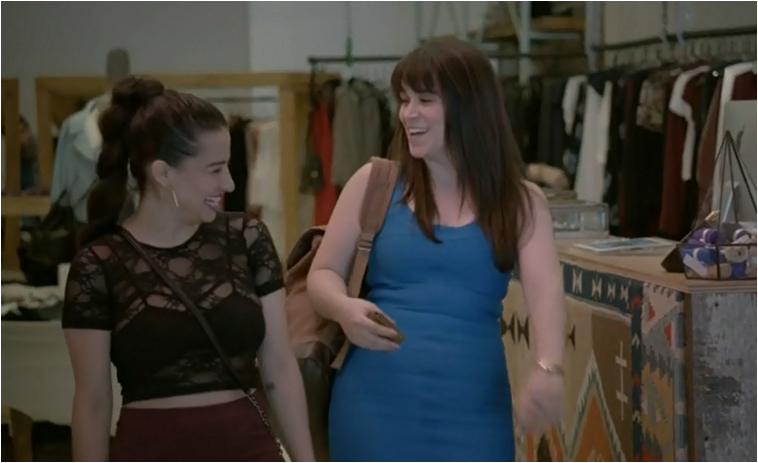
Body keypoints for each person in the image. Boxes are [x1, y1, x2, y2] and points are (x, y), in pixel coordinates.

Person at [307, 37, 566, 462]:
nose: (408, 113)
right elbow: (322, 274)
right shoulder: (375, 183)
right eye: (404, 99)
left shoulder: (521, 202)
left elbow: (546, 292)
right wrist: (343, 308)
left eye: (425, 100)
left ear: (469, 107)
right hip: (373, 403)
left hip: (475, 409)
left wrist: (549, 368)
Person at [61, 76, 315, 462]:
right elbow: (93, 401)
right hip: (151, 452)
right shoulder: (99, 264)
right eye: (214, 170)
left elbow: (279, 366)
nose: (229, 182)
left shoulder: (247, 238)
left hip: (249, 448)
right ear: (163, 173)